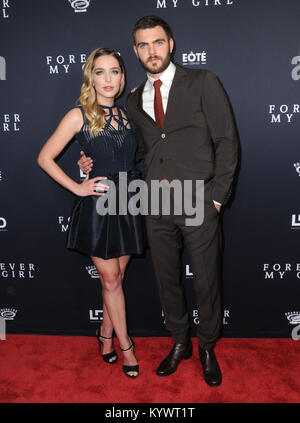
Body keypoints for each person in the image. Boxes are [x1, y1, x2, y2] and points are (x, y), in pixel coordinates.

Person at [79, 16, 238, 387]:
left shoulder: (203, 82)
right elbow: (126, 150)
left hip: (199, 200)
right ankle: (180, 343)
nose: (151, 51)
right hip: (154, 204)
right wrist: (87, 161)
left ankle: (208, 348)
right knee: (167, 282)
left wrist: (217, 198)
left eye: (158, 43)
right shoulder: (133, 100)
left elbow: (227, 142)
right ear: (136, 51)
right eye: (143, 45)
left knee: (206, 283)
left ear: (171, 44)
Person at [37, 47, 145, 378]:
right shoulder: (78, 114)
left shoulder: (130, 113)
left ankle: (105, 335)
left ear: (123, 77)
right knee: (111, 279)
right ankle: (127, 347)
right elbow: (44, 157)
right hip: (98, 205)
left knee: (117, 279)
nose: (108, 79)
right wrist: (79, 186)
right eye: (100, 72)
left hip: (129, 201)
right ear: (91, 77)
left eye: (115, 71)